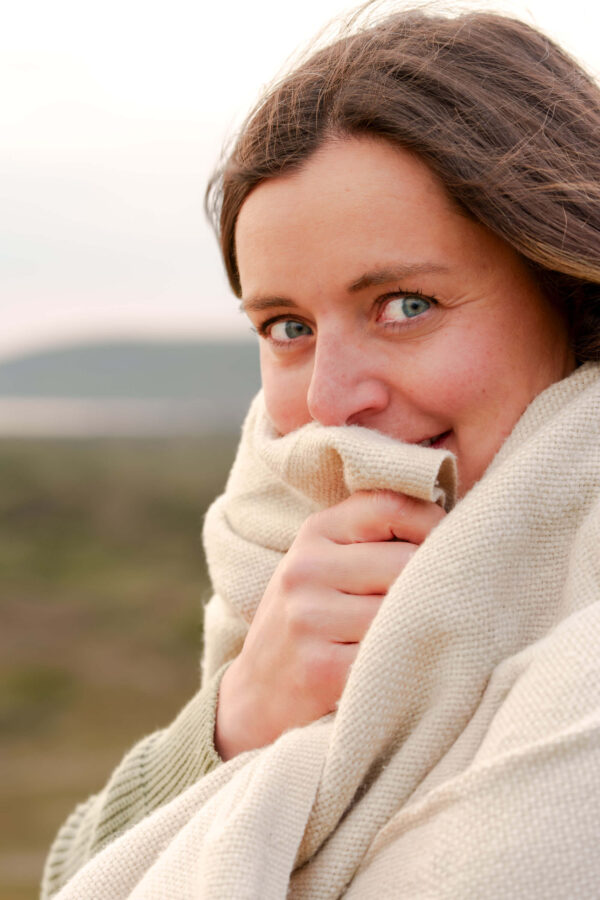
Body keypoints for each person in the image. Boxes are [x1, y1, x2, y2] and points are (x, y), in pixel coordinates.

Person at [42, 5, 600, 898]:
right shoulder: (276, 553)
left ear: (568, 289)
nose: (334, 400)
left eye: (404, 305)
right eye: (288, 326)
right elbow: (81, 869)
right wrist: (235, 720)